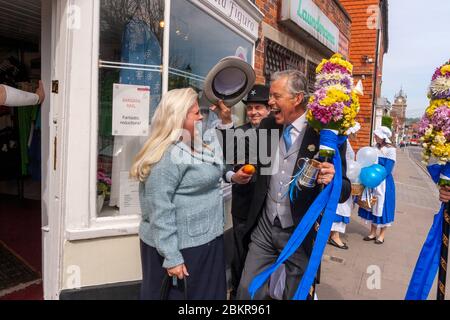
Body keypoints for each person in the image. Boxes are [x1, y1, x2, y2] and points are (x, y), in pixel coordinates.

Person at [214, 70, 351, 300]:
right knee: (246, 290)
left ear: (297, 98)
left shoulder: (324, 134)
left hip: (298, 232)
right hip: (264, 229)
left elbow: (344, 189)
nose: (270, 102)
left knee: (293, 295)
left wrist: (333, 178)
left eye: (276, 96)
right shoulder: (269, 126)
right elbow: (240, 155)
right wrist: (227, 122)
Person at [130, 88, 249, 300]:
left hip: (208, 240)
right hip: (182, 248)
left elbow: (217, 165)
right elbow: (159, 209)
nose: (201, 116)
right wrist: (172, 257)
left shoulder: (195, 143)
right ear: (178, 117)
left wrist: (232, 176)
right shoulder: (165, 155)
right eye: (196, 113)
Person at [222, 84, 271, 299]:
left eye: (259, 107)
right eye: (250, 108)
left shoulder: (277, 133)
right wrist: (233, 175)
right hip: (243, 205)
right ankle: (236, 296)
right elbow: (224, 164)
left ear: (269, 109)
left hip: (266, 210)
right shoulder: (238, 132)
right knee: (240, 255)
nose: (253, 112)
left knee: (262, 258)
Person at [358, 126, 396, 244]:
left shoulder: (391, 150)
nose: (374, 137)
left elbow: (388, 169)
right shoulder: (374, 147)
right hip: (372, 180)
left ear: (383, 137)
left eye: (377, 135)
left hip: (384, 182)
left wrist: (377, 178)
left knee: (383, 207)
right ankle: (373, 233)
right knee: (372, 205)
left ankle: (382, 235)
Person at [328, 123, 360, 250]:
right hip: (341, 177)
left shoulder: (345, 141)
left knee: (341, 206)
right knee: (340, 207)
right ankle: (334, 236)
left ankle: (332, 234)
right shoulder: (343, 141)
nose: (356, 135)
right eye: (355, 132)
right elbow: (347, 160)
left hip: (344, 177)